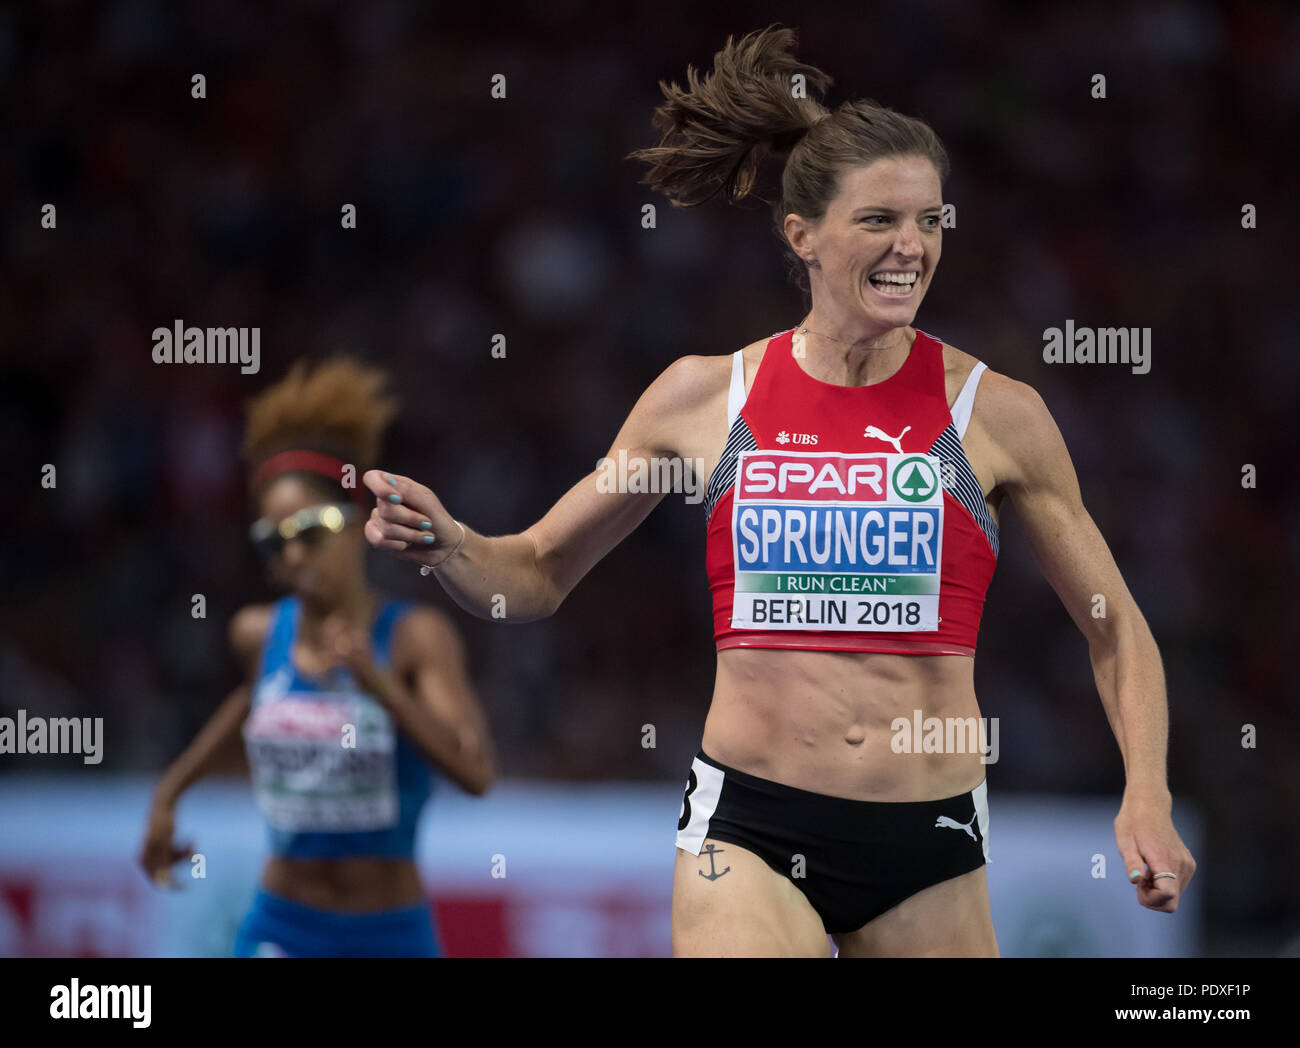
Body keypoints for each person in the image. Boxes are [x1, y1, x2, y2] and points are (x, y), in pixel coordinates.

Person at [359, 25, 1195, 957]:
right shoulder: (706, 399)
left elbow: (1115, 627)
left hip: (930, 841)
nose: (911, 246)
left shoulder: (995, 414)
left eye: (929, 221)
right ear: (803, 236)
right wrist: (454, 546)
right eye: (879, 221)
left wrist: (1147, 792)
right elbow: (539, 572)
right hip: (749, 829)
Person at [140, 357, 495, 957]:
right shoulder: (258, 634)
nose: (293, 557)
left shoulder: (413, 638)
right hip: (284, 926)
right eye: (273, 542)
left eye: (310, 531)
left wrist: (379, 685)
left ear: (356, 525)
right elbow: (250, 704)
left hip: (389, 933)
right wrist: (169, 794)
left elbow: (476, 772)